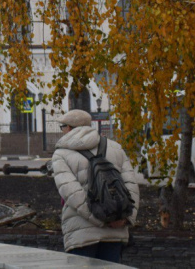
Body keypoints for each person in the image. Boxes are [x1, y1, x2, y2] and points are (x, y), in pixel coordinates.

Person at [52, 109, 139, 263]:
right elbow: (132, 187)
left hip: (82, 233)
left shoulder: (61, 155)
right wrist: (125, 219)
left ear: (70, 128)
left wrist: (102, 220)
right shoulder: (116, 148)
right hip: (116, 231)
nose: (62, 131)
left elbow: (73, 195)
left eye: (62, 127)